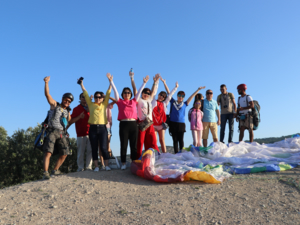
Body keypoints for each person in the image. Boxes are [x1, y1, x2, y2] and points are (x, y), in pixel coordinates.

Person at [109, 70, 147, 170]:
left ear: (130, 94)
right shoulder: (120, 101)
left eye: (128, 92)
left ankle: (134, 162)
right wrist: (111, 82)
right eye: (125, 92)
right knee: (124, 144)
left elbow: (138, 92)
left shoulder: (134, 101)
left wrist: (144, 83)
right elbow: (115, 92)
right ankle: (124, 163)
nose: (127, 94)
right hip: (124, 124)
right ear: (123, 94)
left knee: (134, 145)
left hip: (133, 124)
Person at [78, 74, 113, 172]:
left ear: (102, 98)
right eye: (96, 97)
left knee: (103, 147)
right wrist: (82, 84)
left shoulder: (104, 104)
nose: (97, 98)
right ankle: (96, 166)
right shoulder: (91, 104)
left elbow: (108, 92)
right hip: (92, 128)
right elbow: (85, 92)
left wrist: (110, 81)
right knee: (94, 148)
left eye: (99, 97)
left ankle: (106, 165)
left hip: (102, 128)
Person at [42, 76, 73, 179]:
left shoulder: (68, 112)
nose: (67, 102)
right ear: (62, 99)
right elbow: (47, 95)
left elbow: (70, 121)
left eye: (69, 101)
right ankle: (45, 173)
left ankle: (55, 170)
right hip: (52, 131)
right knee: (48, 152)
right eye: (66, 100)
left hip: (61, 133)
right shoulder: (55, 105)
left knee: (65, 153)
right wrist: (46, 83)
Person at [169, 86, 206, 153]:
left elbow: (192, 96)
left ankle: (181, 153)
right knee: (175, 140)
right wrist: (164, 83)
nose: (181, 97)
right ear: (177, 96)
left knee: (181, 140)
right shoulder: (173, 102)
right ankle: (176, 153)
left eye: (182, 96)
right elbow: (169, 93)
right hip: (173, 123)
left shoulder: (185, 104)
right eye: (179, 95)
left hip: (181, 124)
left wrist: (198, 89)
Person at [136, 74, 160, 158]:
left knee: (153, 141)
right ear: (142, 93)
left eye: (148, 93)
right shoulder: (139, 100)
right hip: (142, 123)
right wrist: (144, 83)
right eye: (144, 92)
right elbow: (136, 91)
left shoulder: (149, 99)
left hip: (149, 123)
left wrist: (154, 82)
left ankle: (155, 157)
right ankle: (138, 158)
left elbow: (153, 92)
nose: (146, 94)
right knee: (140, 142)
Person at [67, 93, 92, 172]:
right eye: (82, 97)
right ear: (80, 98)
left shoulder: (92, 107)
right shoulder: (76, 109)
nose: (84, 98)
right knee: (80, 152)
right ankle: (80, 167)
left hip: (91, 132)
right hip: (80, 133)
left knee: (90, 151)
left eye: (86, 97)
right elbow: (71, 120)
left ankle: (89, 167)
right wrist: (79, 117)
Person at [152, 78, 178, 153]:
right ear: (158, 95)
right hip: (153, 124)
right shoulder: (153, 101)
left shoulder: (164, 104)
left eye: (163, 96)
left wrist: (175, 87)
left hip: (161, 125)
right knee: (154, 140)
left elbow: (170, 95)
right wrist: (156, 82)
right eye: (160, 95)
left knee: (162, 140)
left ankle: (164, 155)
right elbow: (154, 92)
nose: (161, 97)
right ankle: (156, 155)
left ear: (164, 98)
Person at [98, 98, 116, 170]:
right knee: (100, 147)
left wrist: (108, 96)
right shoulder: (95, 106)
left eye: (101, 97)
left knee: (108, 146)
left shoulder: (108, 105)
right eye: (98, 97)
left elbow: (115, 101)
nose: (99, 99)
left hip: (107, 127)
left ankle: (110, 163)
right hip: (98, 127)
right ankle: (103, 165)